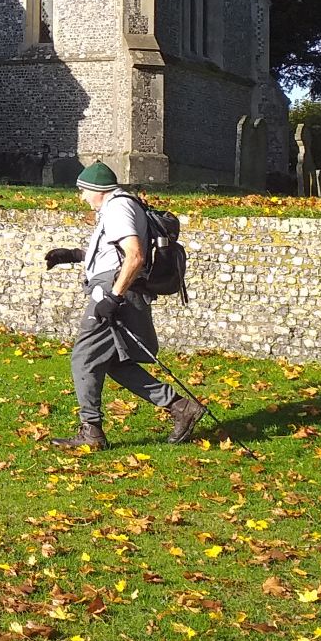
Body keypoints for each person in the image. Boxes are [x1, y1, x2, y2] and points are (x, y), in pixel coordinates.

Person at [47, 162, 202, 450]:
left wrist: (113, 298)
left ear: (97, 189)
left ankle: (91, 432)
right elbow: (111, 252)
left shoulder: (118, 208)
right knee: (115, 362)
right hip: (120, 288)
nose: (82, 198)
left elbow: (134, 256)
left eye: (83, 191)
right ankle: (180, 407)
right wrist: (72, 255)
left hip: (115, 290)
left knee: (83, 357)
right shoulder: (119, 208)